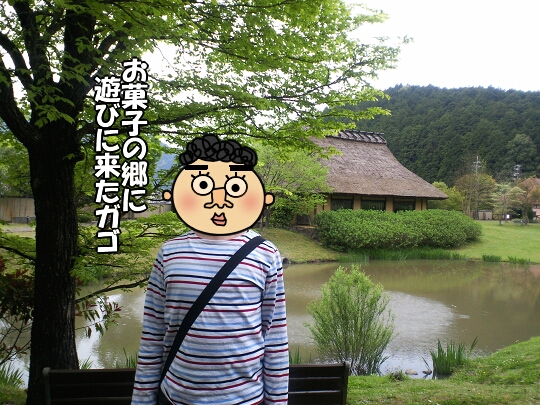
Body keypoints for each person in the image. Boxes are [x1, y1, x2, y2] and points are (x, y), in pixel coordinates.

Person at [131, 135, 288, 405]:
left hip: (246, 399)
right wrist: (142, 400)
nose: (219, 199)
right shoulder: (169, 253)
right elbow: (153, 336)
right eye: (203, 185)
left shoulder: (266, 254)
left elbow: (274, 339)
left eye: (234, 187)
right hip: (176, 398)